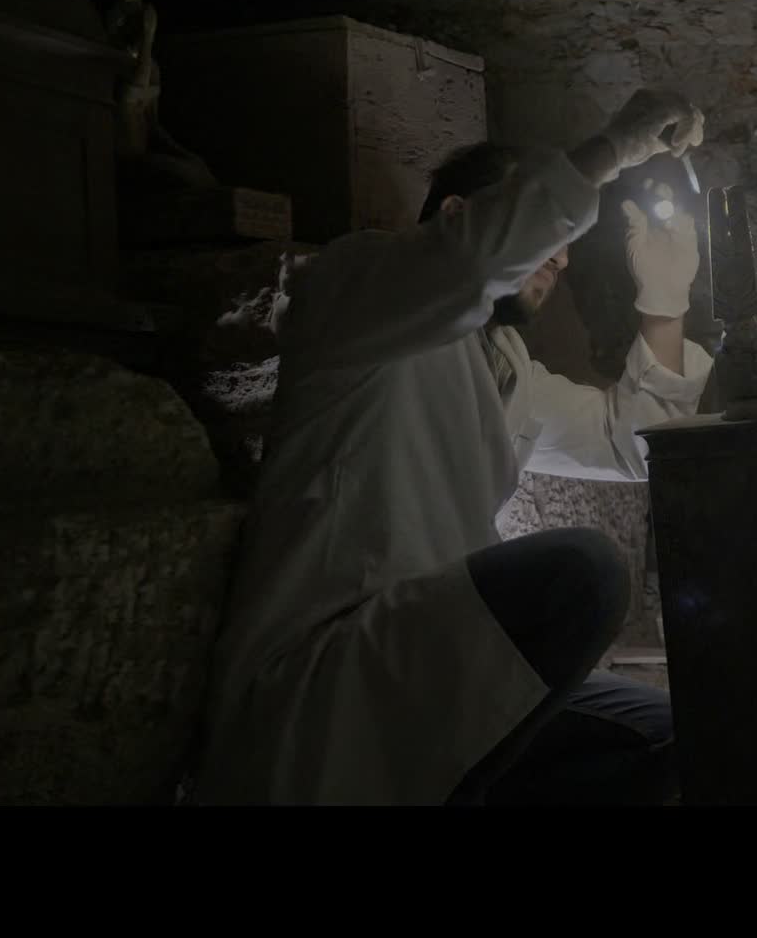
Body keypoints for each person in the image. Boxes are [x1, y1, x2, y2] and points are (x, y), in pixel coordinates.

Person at [195, 89, 713, 805]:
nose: (561, 256)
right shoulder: (353, 289)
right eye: (543, 228)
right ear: (456, 215)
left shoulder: (503, 367)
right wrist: (615, 149)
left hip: (443, 672)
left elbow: (635, 444)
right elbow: (472, 264)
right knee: (583, 573)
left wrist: (663, 301)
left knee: (679, 735)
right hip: (335, 676)